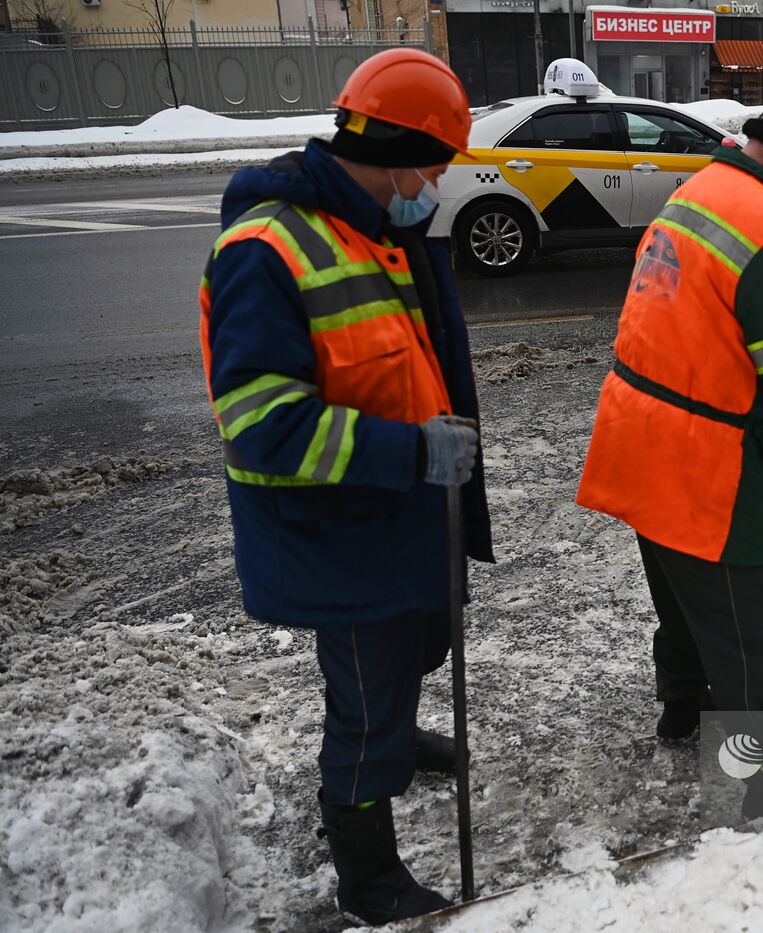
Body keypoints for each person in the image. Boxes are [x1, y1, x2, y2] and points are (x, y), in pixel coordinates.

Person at [199, 48, 493, 924]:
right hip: (335, 526)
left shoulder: (375, 224)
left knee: (414, 648)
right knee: (362, 701)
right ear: (401, 152)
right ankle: (369, 874)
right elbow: (263, 423)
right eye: (436, 166)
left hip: (392, 513)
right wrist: (411, 453)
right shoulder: (267, 248)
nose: (437, 185)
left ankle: (396, 740)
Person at [576, 79, 763, 742]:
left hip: (636, 436)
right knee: (750, 633)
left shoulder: (698, 190)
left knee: (682, 602)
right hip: (703, 461)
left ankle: (683, 708)